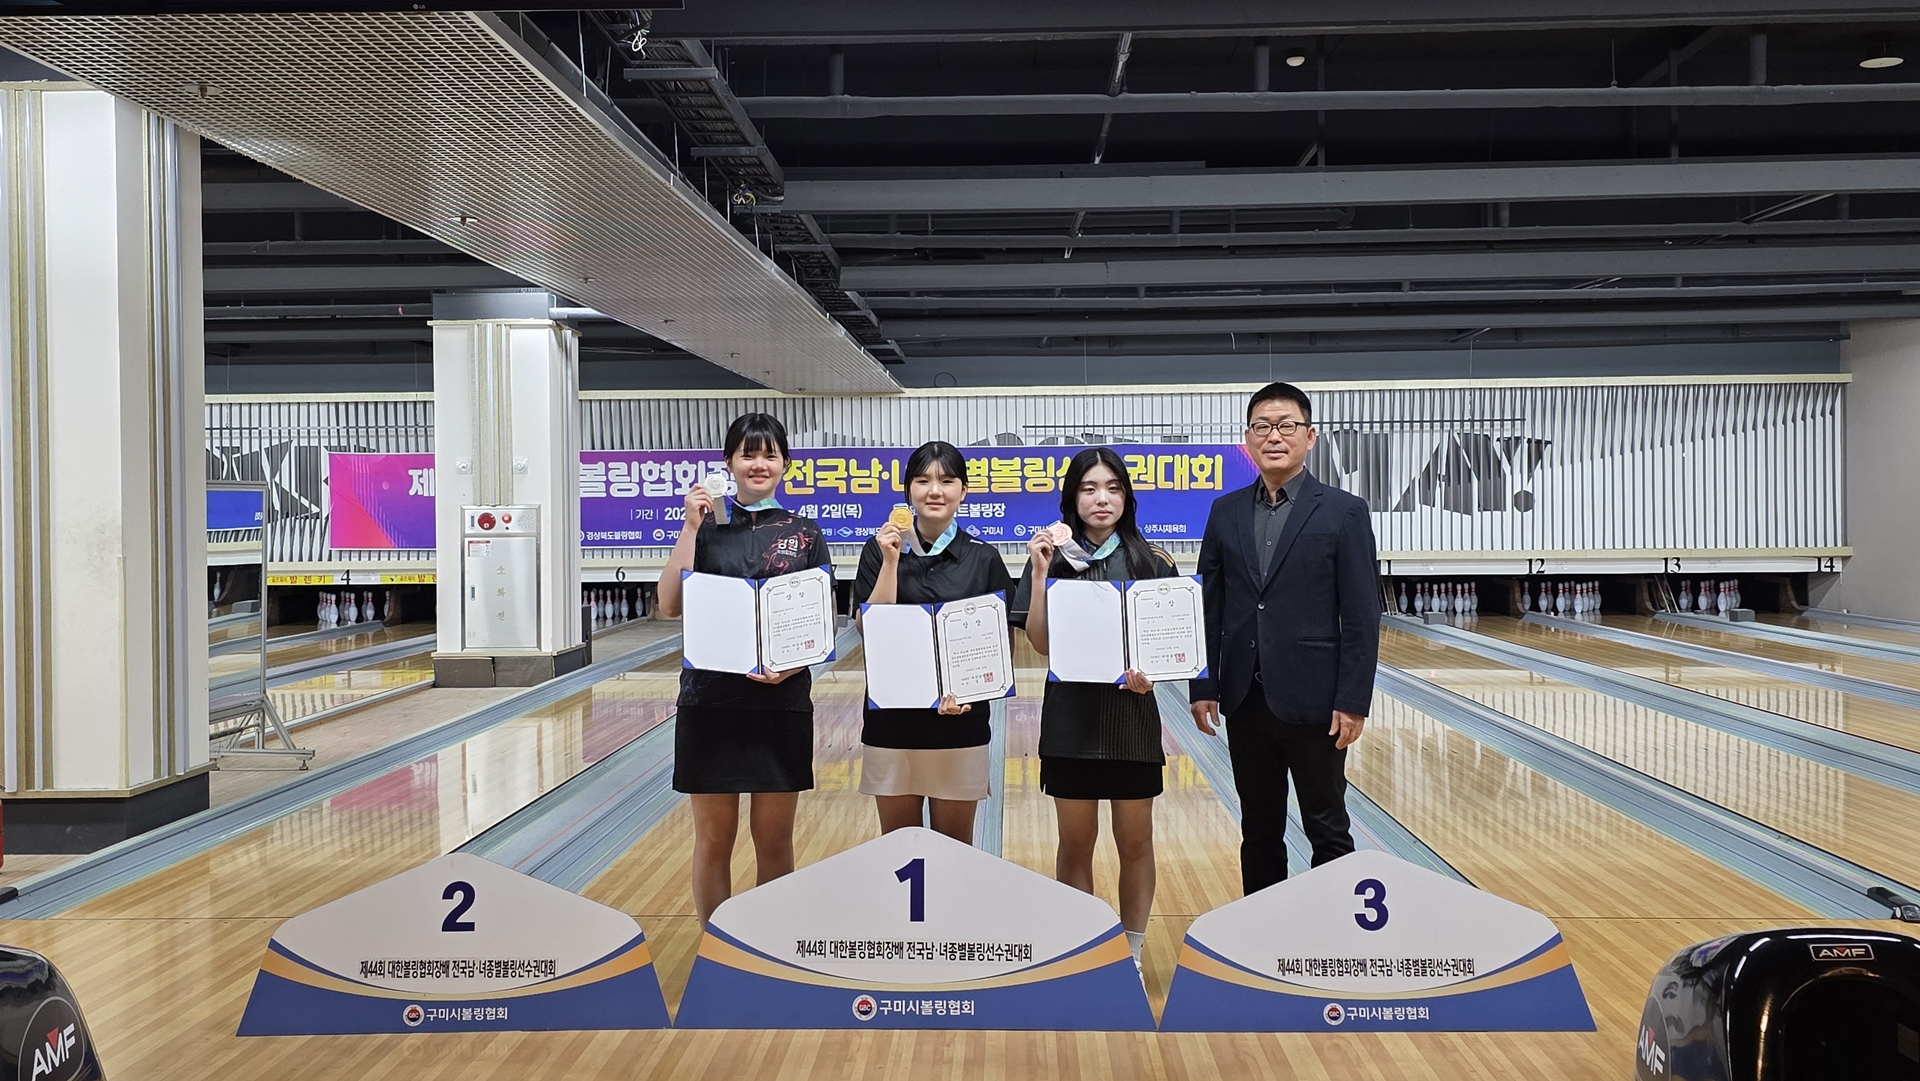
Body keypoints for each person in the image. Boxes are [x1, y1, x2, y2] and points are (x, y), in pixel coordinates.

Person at [1188, 381, 1380, 895]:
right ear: (1248, 439)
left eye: (1286, 426)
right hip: (1245, 700)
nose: (1274, 436)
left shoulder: (1344, 510)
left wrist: (1353, 700)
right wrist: (1203, 685)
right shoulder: (1224, 511)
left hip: (1317, 702)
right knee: (1258, 828)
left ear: (1309, 436)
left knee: (1327, 826)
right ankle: (1263, 930)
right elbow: (1209, 604)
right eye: (1262, 427)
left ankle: (1333, 929)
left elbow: (1362, 614)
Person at [656, 412, 831, 924]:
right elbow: (669, 603)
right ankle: (716, 944)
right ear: (729, 462)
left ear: (785, 464)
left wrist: (790, 668)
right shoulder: (705, 528)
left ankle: (764, 944)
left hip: (781, 703)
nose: (759, 464)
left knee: (774, 840)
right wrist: (691, 526)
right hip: (710, 703)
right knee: (714, 839)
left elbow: (819, 622)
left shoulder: (805, 534)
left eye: (769, 454)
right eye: (748, 454)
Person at [1012, 447, 1178, 972]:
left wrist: (1153, 672)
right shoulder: (1050, 558)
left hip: (1132, 720)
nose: (1101, 498)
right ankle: (1086, 951)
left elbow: (1167, 644)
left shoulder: (1153, 562)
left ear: (1126, 497)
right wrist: (1040, 575)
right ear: (1072, 498)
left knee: (1135, 840)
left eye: (1112, 488)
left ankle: (1132, 952)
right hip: (1071, 721)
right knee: (1075, 842)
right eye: (1089, 489)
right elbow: (1040, 643)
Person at [852, 441, 1013, 844]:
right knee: (899, 849)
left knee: (955, 850)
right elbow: (870, 627)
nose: (935, 491)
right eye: (923, 481)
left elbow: (999, 647)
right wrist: (891, 562)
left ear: (964, 491)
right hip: (892, 723)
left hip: (960, 725)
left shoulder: (983, 558)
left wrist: (971, 693)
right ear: (908, 490)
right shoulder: (879, 550)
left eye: (947, 481)